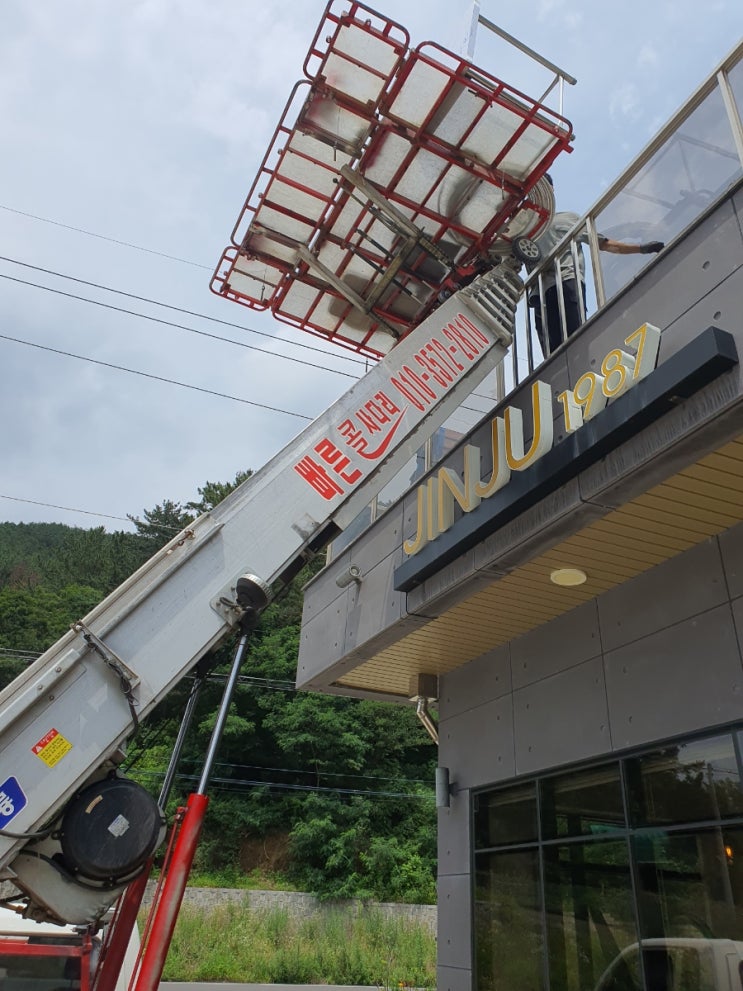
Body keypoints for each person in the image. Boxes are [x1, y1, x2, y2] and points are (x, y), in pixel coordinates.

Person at [528, 177, 664, 356]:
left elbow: (604, 243)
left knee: (576, 341)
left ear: (551, 190)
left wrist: (641, 249)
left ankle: (582, 371)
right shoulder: (524, 229)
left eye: (541, 187)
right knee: (551, 355)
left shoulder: (567, 219)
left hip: (567, 283)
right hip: (540, 296)